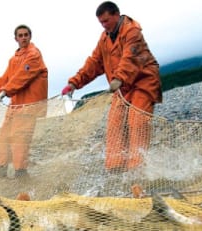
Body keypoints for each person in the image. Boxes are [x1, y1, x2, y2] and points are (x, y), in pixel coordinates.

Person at [61, 1, 162, 173]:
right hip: (121, 88)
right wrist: (74, 83)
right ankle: (116, 168)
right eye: (101, 22)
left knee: (137, 122)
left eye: (106, 21)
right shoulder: (104, 38)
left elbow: (130, 58)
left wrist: (119, 78)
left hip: (142, 83)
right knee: (115, 124)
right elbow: (94, 63)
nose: (104, 25)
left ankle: (138, 170)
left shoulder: (132, 31)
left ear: (116, 15)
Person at [0, 24, 48, 179]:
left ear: (30, 36)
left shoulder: (34, 55)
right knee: (3, 138)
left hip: (28, 105)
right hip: (15, 105)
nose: (23, 37)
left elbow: (21, 77)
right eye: (20, 35)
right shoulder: (14, 59)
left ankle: (21, 172)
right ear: (16, 38)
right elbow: (5, 78)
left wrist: (5, 91)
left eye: (26, 35)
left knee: (20, 139)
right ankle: (0, 170)